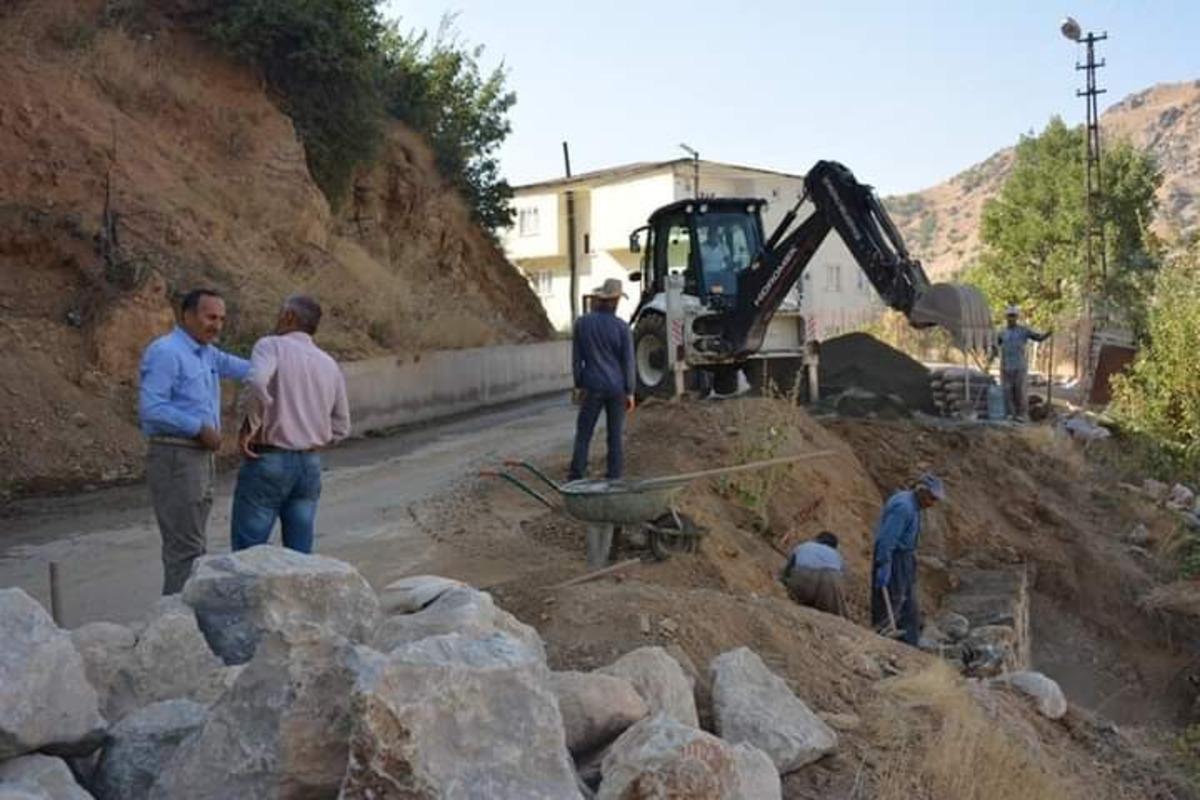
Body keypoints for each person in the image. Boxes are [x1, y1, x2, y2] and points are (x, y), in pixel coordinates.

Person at [139, 288, 250, 594]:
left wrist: (289, 355)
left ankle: (185, 622)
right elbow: (152, 407)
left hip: (198, 458)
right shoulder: (166, 352)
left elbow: (250, 370)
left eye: (221, 319)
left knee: (195, 544)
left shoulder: (208, 353)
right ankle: (175, 625)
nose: (216, 325)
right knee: (184, 550)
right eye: (210, 317)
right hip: (175, 455)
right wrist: (198, 428)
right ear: (187, 316)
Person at [231, 295, 350, 554]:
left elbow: (257, 382)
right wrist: (312, 437)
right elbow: (342, 425)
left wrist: (250, 426)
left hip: (269, 458)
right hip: (309, 465)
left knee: (249, 554)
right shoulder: (328, 363)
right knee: (299, 555)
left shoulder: (270, 346)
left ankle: (252, 595)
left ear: (289, 317)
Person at [568, 278, 635, 483]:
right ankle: (614, 476)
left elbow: (577, 359)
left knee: (584, 433)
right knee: (614, 436)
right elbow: (628, 362)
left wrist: (579, 384)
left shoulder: (582, 323)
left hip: (591, 385)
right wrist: (630, 391)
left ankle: (577, 475)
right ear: (616, 301)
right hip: (616, 388)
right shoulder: (622, 328)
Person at [871, 473, 945, 645]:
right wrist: (883, 562)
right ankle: (883, 639)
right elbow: (887, 538)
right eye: (931, 498)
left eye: (935, 500)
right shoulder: (903, 507)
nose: (932, 504)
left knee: (908, 603)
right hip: (894, 557)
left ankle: (909, 644)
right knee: (892, 598)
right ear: (921, 491)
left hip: (905, 557)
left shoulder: (915, 505)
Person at [995, 305, 1051, 421]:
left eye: (1013, 316)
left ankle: (1022, 415)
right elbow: (995, 345)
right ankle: (1010, 414)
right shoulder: (1002, 333)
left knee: (1020, 391)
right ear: (1006, 317)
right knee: (1007, 391)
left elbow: (1038, 338)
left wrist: (1049, 333)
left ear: (1017, 317)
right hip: (1005, 366)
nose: (1011, 319)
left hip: (1019, 366)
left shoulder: (1023, 331)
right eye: (1009, 316)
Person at [780, 531, 847, 616]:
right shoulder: (837, 555)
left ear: (816, 540)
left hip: (802, 578)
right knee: (836, 612)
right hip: (829, 580)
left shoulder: (803, 546)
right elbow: (841, 577)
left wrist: (785, 583)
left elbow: (786, 571)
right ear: (834, 546)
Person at [699, 225, 733, 294]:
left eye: (715, 235)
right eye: (711, 235)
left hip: (720, 273)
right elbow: (698, 263)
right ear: (708, 236)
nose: (713, 237)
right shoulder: (701, 248)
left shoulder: (723, 247)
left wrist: (729, 268)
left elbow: (729, 261)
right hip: (706, 274)